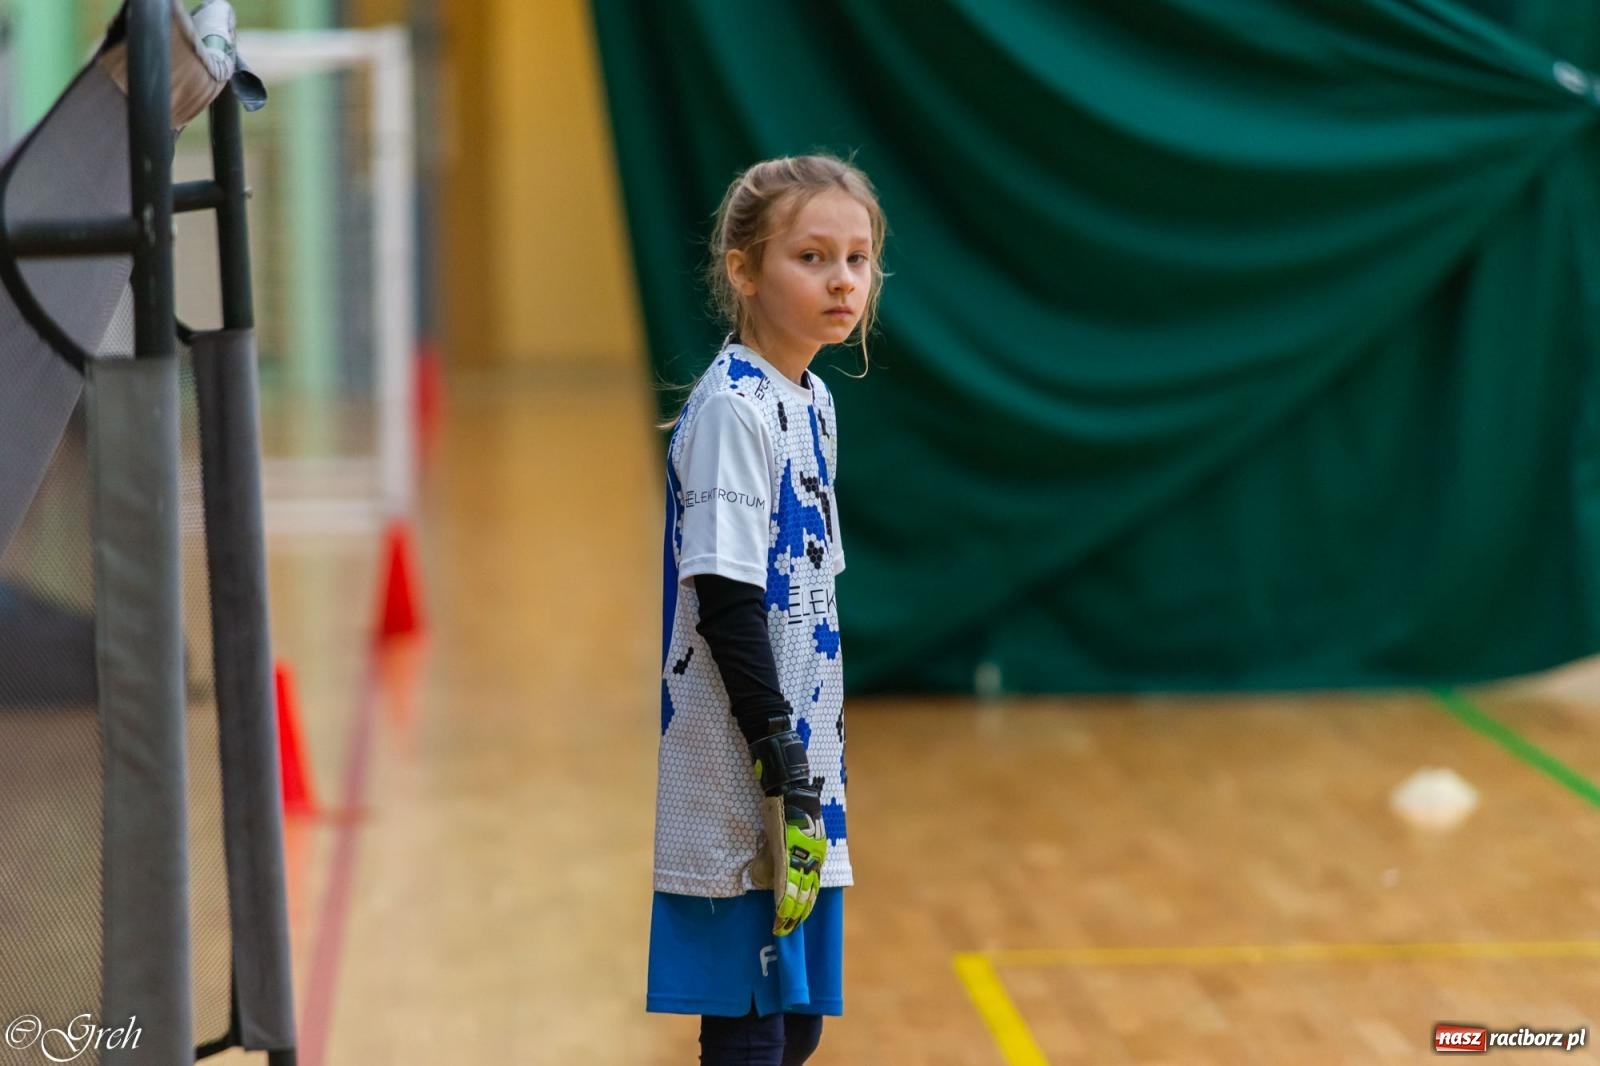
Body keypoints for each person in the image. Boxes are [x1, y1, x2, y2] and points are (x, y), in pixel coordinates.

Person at [647, 154, 887, 1065]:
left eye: (858, 259)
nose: (842, 279)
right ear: (743, 270)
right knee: (751, 1026)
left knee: (799, 1024)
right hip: (746, 763)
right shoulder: (731, 411)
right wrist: (774, 748)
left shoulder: (814, 400)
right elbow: (727, 598)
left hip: (805, 765)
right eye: (812, 256)